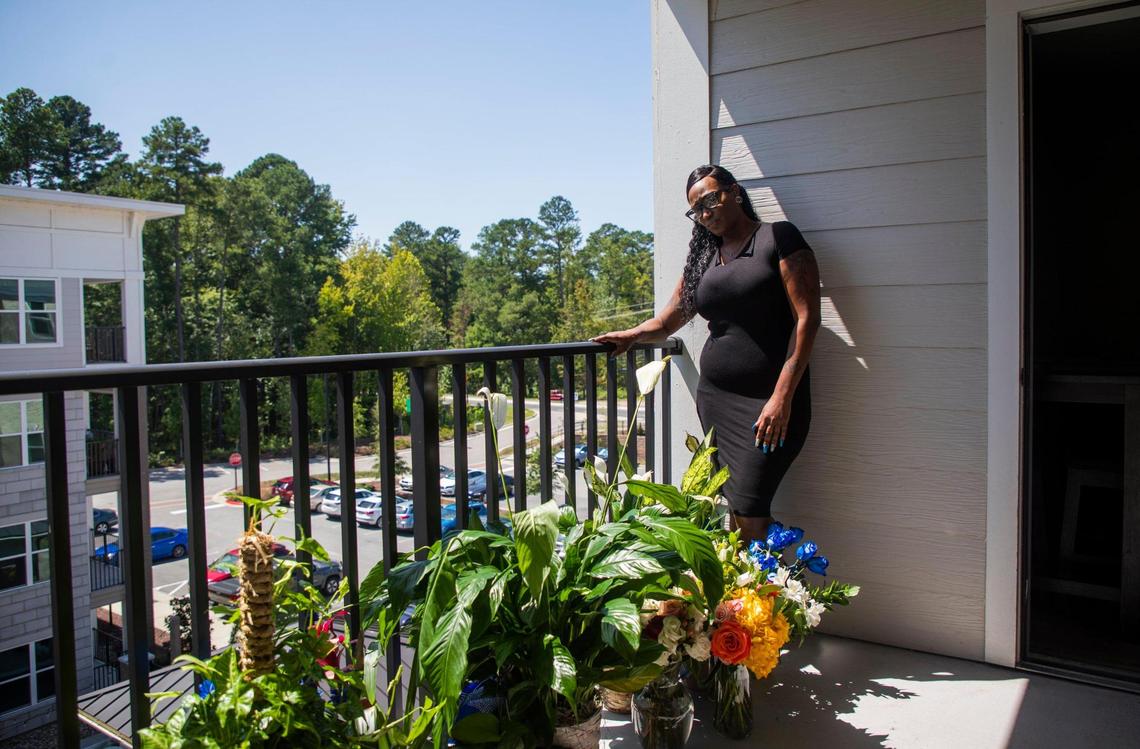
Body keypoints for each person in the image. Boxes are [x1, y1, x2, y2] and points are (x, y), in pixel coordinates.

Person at [593, 164, 821, 546]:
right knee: (736, 509)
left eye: (711, 200)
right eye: (696, 209)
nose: (705, 213)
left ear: (734, 192)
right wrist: (632, 335)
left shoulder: (777, 238)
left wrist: (782, 398)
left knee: (750, 511)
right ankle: (746, 600)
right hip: (717, 401)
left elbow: (807, 319)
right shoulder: (704, 260)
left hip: (771, 401)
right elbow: (668, 321)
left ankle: (766, 601)